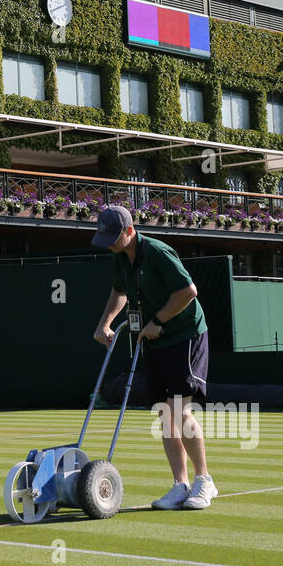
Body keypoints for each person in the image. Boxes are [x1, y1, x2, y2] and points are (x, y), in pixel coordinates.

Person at [91, 205, 217, 510]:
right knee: (165, 414)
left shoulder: (158, 252)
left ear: (130, 231)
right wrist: (104, 324)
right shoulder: (119, 257)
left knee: (179, 410)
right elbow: (119, 292)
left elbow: (188, 291)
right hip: (154, 339)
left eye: (113, 236)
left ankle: (204, 481)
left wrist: (158, 321)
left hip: (185, 335)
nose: (109, 243)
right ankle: (180, 485)